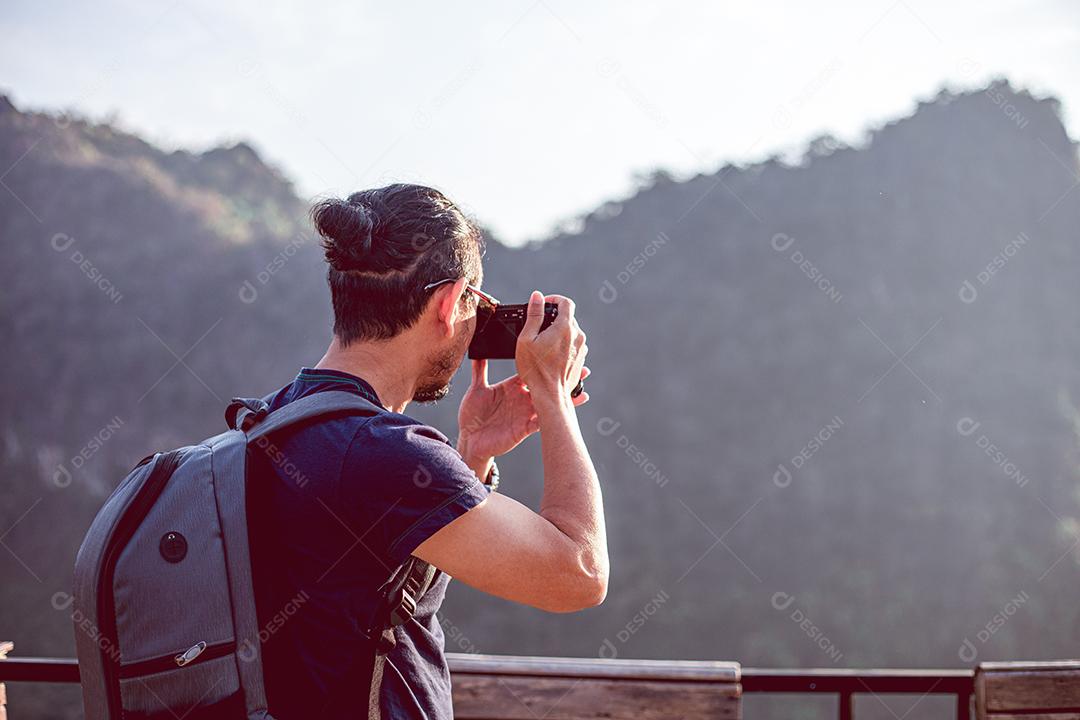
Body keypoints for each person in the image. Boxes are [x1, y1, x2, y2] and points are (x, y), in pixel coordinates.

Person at [246, 183, 608, 719]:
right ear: (448, 303)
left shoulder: (268, 422)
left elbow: (373, 578)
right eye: (477, 305)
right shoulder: (386, 455)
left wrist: (472, 456)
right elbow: (578, 574)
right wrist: (554, 393)